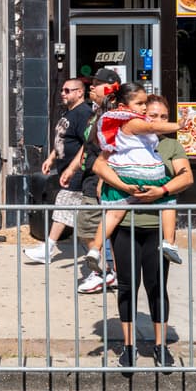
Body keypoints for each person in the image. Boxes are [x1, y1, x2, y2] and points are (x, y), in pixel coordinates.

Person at [95, 94, 194, 372]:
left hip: (155, 227)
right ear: (140, 117)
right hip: (125, 224)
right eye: (153, 116)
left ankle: (160, 346)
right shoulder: (125, 139)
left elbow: (186, 177)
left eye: (164, 116)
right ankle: (128, 347)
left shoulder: (171, 144)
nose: (158, 121)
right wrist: (123, 186)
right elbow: (100, 166)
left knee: (156, 285)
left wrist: (161, 191)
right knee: (127, 285)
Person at [82, 83, 185, 274]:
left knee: (113, 213)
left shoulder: (119, 127)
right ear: (123, 107)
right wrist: (178, 125)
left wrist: (121, 185)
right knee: (168, 201)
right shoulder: (132, 122)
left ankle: (95, 249)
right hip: (143, 172)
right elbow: (152, 126)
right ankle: (169, 242)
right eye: (140, 103)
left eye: (145, 103)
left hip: (124, 173)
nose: (144, 108)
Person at [24, 77, 91, 264]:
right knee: (77, 216)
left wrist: (73, 167)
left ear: (80, 93)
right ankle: (97, 254)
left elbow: (87, 144)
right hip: (65, 169)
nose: (63, 93)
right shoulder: (68, 113)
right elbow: (63, 139)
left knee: (64, 206)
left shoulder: (83, 113)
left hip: (76, 171)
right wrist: (52, 158)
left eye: (68, 90)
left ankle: (48, 248)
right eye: (62, 90)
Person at [70, 68, 122, 294]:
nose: (92, 87)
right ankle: (109, 272)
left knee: (90, 228)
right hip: (89, 178)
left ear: (111, 89)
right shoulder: (97, 112)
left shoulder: (114, 114)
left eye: (97, 84)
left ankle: (104, 272)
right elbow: (88, 143)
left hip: (100, 181)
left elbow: (113, 149)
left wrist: (104, 177)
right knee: (90, 229)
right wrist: (73, 167)